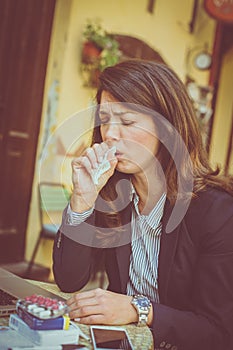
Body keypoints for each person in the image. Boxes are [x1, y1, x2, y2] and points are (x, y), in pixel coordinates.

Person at [53, 59, 233, 350]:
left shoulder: (216, 211)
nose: (110, 133)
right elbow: (69, 279)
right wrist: (82, 200)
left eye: (126, 121)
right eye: (104, 120)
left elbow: (220, 334)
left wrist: (139, 310)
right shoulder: (111, 193)